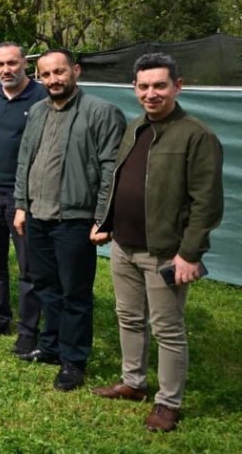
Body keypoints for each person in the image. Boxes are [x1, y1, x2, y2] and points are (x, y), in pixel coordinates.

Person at [91, 53, 223, 432]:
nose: (151, 94)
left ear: (177, 87)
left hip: (166, 252)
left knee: (167, 329)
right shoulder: (135, 127)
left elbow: (207, 204)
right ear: (135, 89)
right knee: (129, 318)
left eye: (159, 85)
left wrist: (189, 254)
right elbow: (121, 181)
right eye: (144, 86)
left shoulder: (197, 136)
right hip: (124, 247)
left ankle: (169, 403)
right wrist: (107, 223)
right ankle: (133, 382)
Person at [13, 48, 125, 391]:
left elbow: (111, 170)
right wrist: (21, 204)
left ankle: (73, 360)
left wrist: (103, 218)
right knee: (46, 286)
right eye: (46, 74)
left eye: (59, 72)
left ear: (74, 70)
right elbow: (25, 160)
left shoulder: (101, 112)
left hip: (75, 218)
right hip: (37, 215)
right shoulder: (36, 112)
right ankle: (50, 346)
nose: (53, 80)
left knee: (74, 292)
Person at [0, 43, 48, 349]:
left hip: (26, 197)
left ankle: (28, 330)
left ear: (25, 65)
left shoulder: (43, 97)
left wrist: (27, 197)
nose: (7, 69)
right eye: (0, 64)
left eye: (13, 63)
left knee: (28, 265)